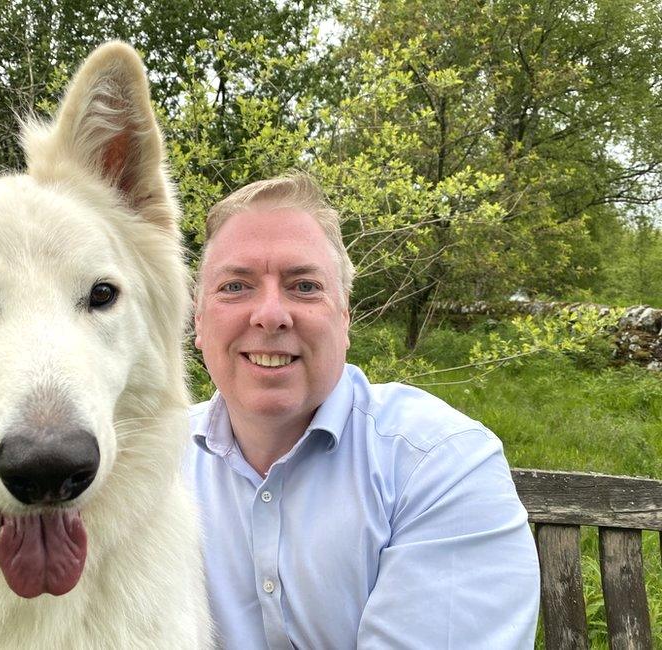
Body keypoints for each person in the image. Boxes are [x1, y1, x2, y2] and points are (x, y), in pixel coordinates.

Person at [183, 174, 540, 649]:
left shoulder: (442, 465)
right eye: (235, 286)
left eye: (304, 286)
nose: (270, 314)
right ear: (199, 322)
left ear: (345, 317)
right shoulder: (147, 463)